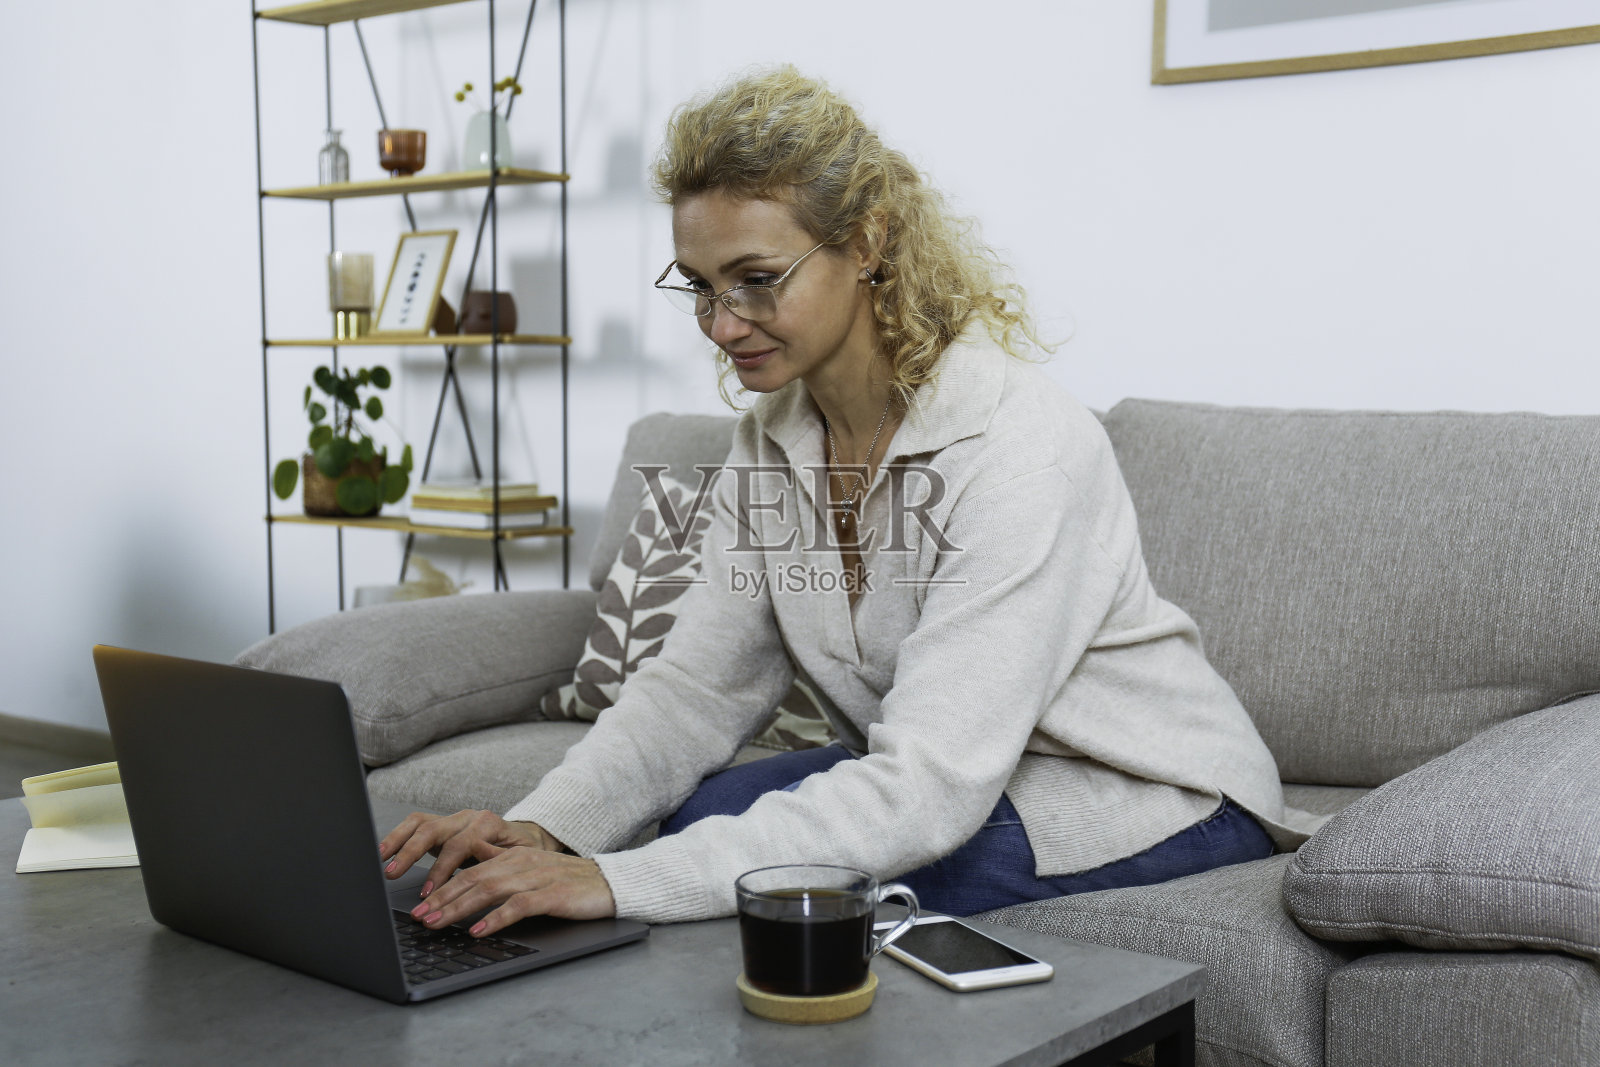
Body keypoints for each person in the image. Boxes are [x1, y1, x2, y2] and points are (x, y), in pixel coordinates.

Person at [379, 66, 1308, 936]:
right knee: (694, 822)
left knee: (759, 895)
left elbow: (927, 789)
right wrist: (546, 831)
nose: (722, 324)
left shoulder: (1021, 443)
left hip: (1144, 789)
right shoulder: (771, 436)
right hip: (974, 774)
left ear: (864, 243)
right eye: (700, 288)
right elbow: (698, 690)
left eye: (757, 279)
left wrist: (623, 882)